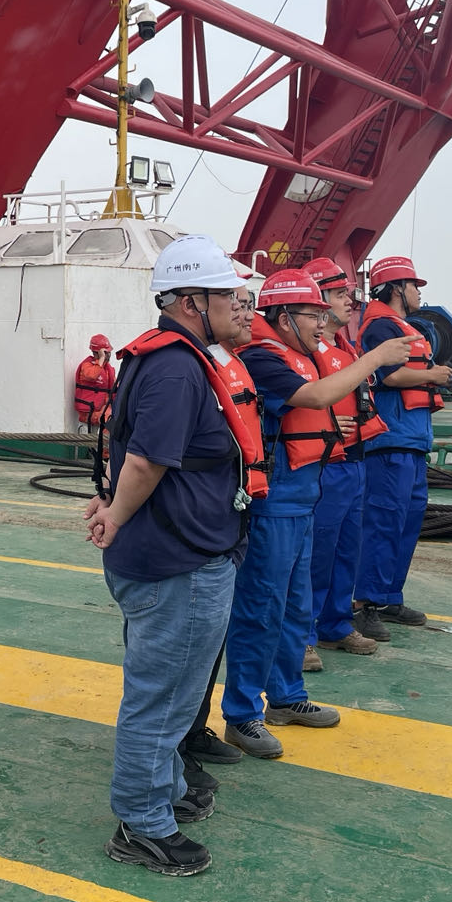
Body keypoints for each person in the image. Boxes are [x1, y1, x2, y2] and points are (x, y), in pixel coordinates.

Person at [85, 236, 261, 875]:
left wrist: (112, 505)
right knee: (162, 702)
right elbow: (145, 460)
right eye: (227, 294)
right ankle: (142, 825)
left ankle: (167, 790)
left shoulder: (174, 358)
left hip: (178, 555)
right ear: (191, 302)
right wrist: (114, 516)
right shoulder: (177, 368)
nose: (240, 304)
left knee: (172, 693)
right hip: (176, 564)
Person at [219, 270, 409, 760]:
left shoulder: (303, 357)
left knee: (295, 607)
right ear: (285, 318)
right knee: (260, 609)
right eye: (313, 314)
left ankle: (286, 697)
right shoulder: (263, 358)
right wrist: (375, 358)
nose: (323, 324)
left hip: (304, 499)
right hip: (274, 505)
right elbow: (314, 398)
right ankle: (242, 714)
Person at [180, 278, 266, 767]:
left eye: (248, 304)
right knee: (187, 642)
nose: (244, 313)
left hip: (234, 513)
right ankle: (177, 744)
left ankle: (194, 729)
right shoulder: (192, 366)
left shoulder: (234, 363)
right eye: (235, 303)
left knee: (211, 636)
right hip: (202, 522)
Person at [355, 256, 452, 641]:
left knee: (406, 521)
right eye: (414, 286)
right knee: (383, 521)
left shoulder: (398, 325)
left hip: (410, 440)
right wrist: (432, 374)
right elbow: (386, 374)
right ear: (396, 288)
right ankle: (365, 604)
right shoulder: (381, 327)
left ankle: (389, 596)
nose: (419, 293)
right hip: (390, 441)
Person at [299, 257, 387, 670]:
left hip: (354, 460)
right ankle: (302, 634)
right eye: (338, 294)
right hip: (325, 463)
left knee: (346, 550)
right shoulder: (306, 352)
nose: (349, 300)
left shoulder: (344, 348)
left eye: (348, 293)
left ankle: (335, 623)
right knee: (315, 554)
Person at [73, 333, 116, 425]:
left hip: (104, 409)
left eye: (109, 352)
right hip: (89, 412)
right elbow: (92, 375)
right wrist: (102, 358)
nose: (109, 355)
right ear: (97, 353)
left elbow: (115, 388)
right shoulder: (87, 366)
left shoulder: (107, 369)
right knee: (109, 419)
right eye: (106, 352)